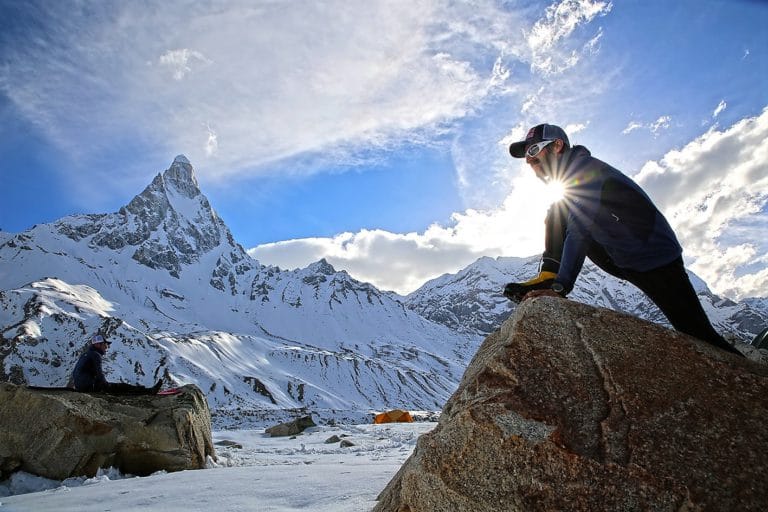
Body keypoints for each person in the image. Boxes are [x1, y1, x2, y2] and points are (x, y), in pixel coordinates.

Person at [503, 123, 743, 357]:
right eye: (526, 156)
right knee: (558, 209)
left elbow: (579, 228)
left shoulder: (584, 170)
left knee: (696, 332)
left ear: (557, 146)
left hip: (656, 258)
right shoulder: (568, 180)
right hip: (625, 256)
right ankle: (549, 274)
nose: (529, 160)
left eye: (534, 150)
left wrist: (561, 287)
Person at [72, 334, 163, 393]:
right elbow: (100, 374)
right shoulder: (96, 355)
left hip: (82, 386)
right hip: (89, 387)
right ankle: (148, 392)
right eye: (105, 345)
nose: (106, 348)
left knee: (116, 387)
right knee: (122, 387)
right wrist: (107, 386)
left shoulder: (87, 354)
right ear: (98, 345)